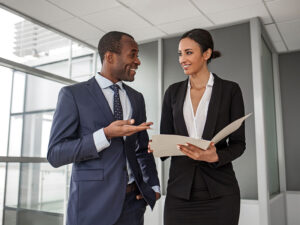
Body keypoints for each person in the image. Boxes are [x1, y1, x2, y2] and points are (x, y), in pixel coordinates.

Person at [47, 31, 160, 225]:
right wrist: (105, 134)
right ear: (109, 57)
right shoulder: (73, 95)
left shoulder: (136, 98)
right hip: (92, 207)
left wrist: (153, 185)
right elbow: (56, 154)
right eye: (132, 54)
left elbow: (141, 149)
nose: (138, 61)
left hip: (133, 205)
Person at [158, 29, 245, 225]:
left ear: (206, 54)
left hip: (221, 193)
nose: (182, 59)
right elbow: (166, 140)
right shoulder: (172, 92)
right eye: (180, 54)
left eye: (189, 52)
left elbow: (239, 144)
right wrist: (155, 146)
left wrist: (216, 156)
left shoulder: (230, 90)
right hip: (179, 194)